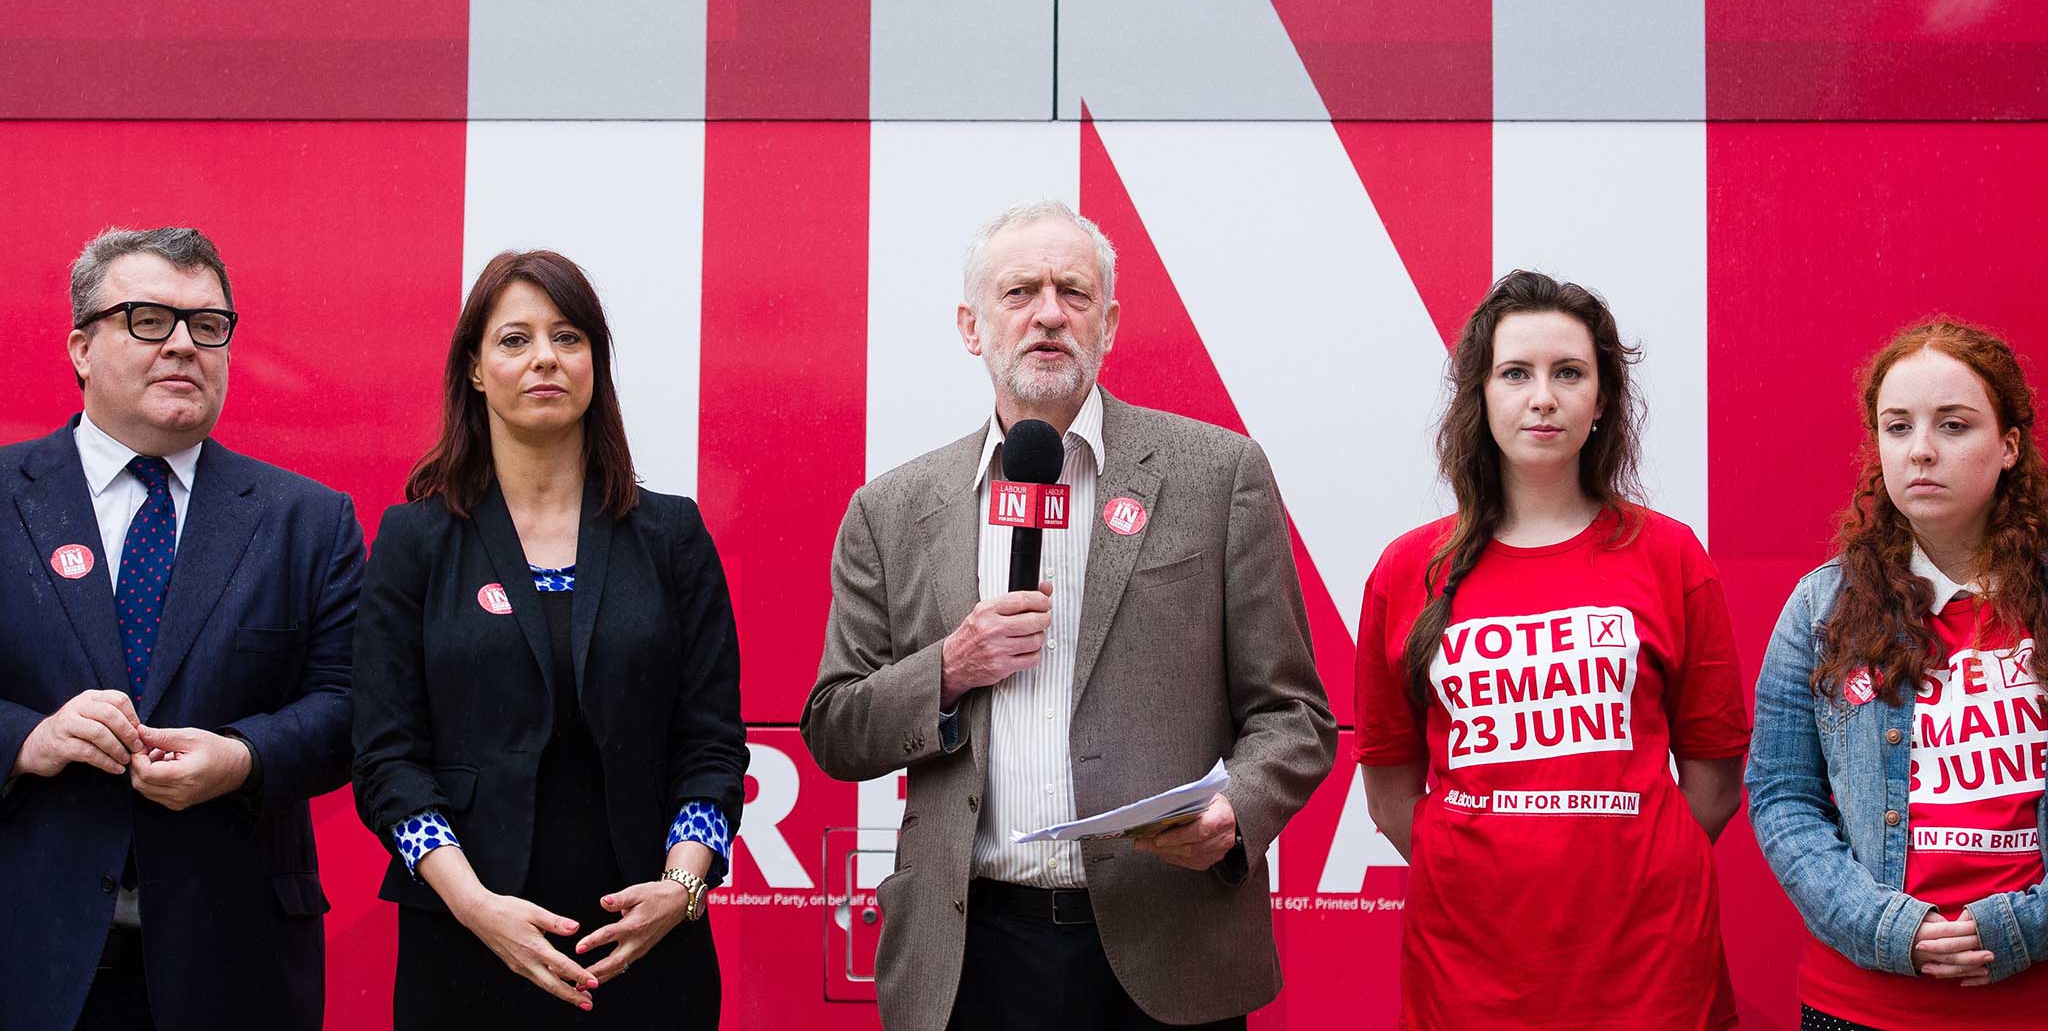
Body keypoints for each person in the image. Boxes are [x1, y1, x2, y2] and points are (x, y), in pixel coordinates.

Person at [802, 199, 1335, 1031]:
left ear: (1110, 323)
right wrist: (950, 667)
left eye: (1074, 294)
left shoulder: (1217, 475)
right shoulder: (892, 509)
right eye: (1020, 292)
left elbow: (1294, 715)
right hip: (969, 959)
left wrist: (1237, 815)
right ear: (971, 326)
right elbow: (835, 727)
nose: (1049, 313)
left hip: (1168, 948)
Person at [352, 249, 745, 1027]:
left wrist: (682, 887)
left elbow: (712, 745)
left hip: (643, 948)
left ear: (595, 364)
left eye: (568, 338)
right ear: (473, 368)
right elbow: (388, 758)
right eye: (514, 339)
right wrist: (473, 905)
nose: (544, 360)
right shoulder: (415, 541)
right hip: (463, 943)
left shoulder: (671, 535)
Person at [1354, 269, 1750, 1031]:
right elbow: (1390, 794)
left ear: (1601, 402)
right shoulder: (1409, 571)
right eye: (1516, 373)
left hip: (1651, 973)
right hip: (1468, 975)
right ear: (1482, 396)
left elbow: (1715, 784)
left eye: (1569, 373)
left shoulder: (1669, 557)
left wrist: (1627, 869)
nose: (1543, 396)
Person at [0, 226, 364, 1031]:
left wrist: (242, 758)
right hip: (26, 950)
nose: (182, 346)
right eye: (147, 319)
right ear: (81, 347)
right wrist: (30, 741)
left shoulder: (307, 519)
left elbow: (353, 709)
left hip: (234, 961)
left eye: (207, 326)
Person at [1747, 318, 2048, 1030]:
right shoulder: (1822, 609)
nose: (1920, 451)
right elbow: (1781, 796)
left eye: (1953, 425)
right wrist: (1884, 928)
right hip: (1860, 1007)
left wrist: (2024, 929)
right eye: (1897, 426)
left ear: (2008, 446)